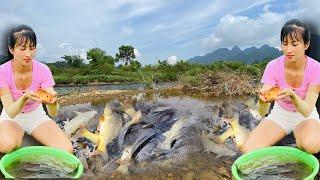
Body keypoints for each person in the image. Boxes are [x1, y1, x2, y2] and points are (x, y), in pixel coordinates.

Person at [241, 19, 320, 154]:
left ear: (306, 45)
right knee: (248, 150)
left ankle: (301, 136)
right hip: (280, 115)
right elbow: (262, 112)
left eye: (294, 44)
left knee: (311, 146)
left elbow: (306, 110)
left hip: (305, 116)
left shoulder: (316, 68)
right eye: (285, 44)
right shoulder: (273, 66)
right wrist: (262, 100)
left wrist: (293, 96)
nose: (288, 49)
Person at [0, 25, 73, 153]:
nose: (28, 54)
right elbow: (11, 111)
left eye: (32, 48)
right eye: (22, 48)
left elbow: (54, 113)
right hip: (12, 117)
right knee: (6, 145)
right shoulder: (3, 72)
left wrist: (53, 102)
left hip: (36, 115)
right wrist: (23, 98)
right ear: (11, 49)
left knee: (66, 150)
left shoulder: (43, 70)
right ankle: (16, 135)